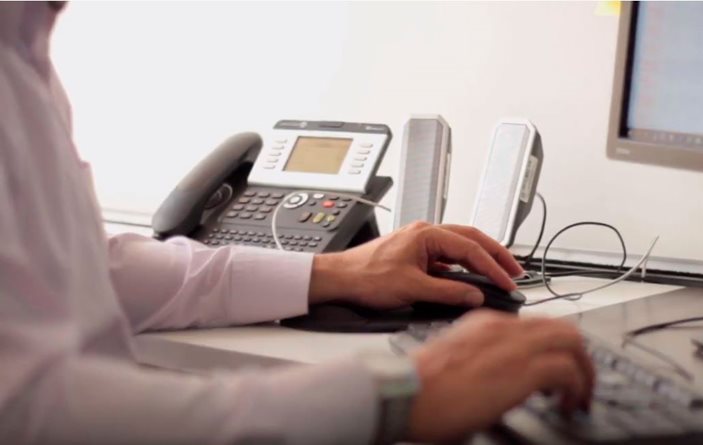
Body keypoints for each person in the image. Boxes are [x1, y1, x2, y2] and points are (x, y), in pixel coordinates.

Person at [0, 3, 593, 444]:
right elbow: (22, 409)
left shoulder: (27, 58)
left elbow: (92, 267)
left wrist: (333, 270)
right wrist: (391, 394)